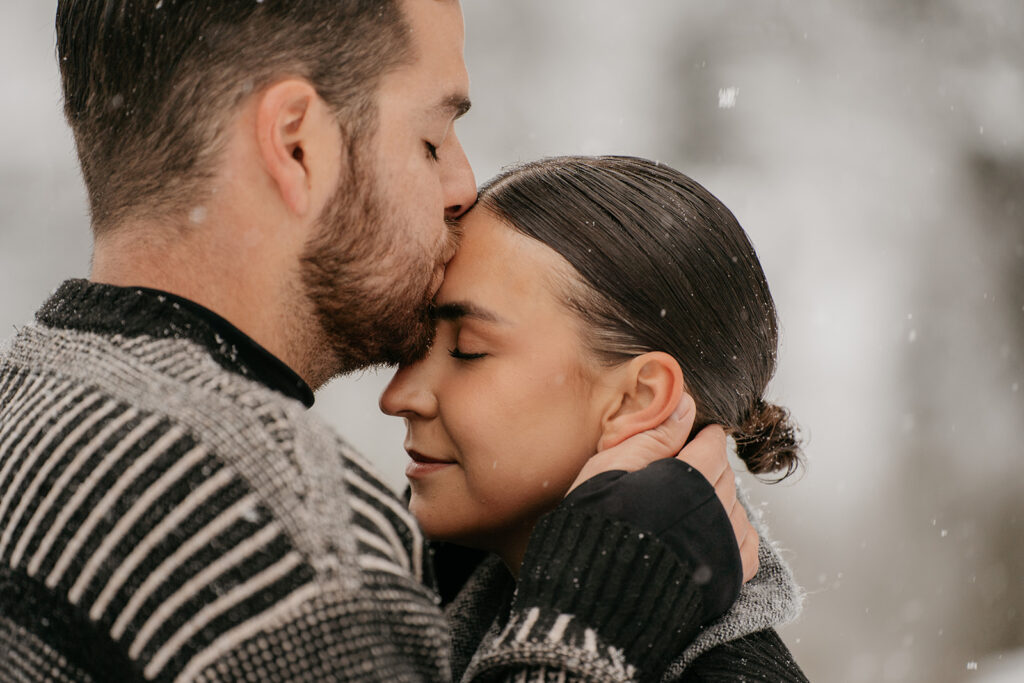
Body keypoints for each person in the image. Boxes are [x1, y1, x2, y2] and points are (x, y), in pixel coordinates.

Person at [0, 2, 759, 682]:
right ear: (296, 144)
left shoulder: (28, 405)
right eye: (432, 139)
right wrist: (583, 632)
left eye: (465, 347)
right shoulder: (295, 544)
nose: (463, 184)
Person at [381, 155, 809, 681]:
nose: (398, 395)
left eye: (467, 349)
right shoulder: (402, 603)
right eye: (418, 344)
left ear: (638, 400)